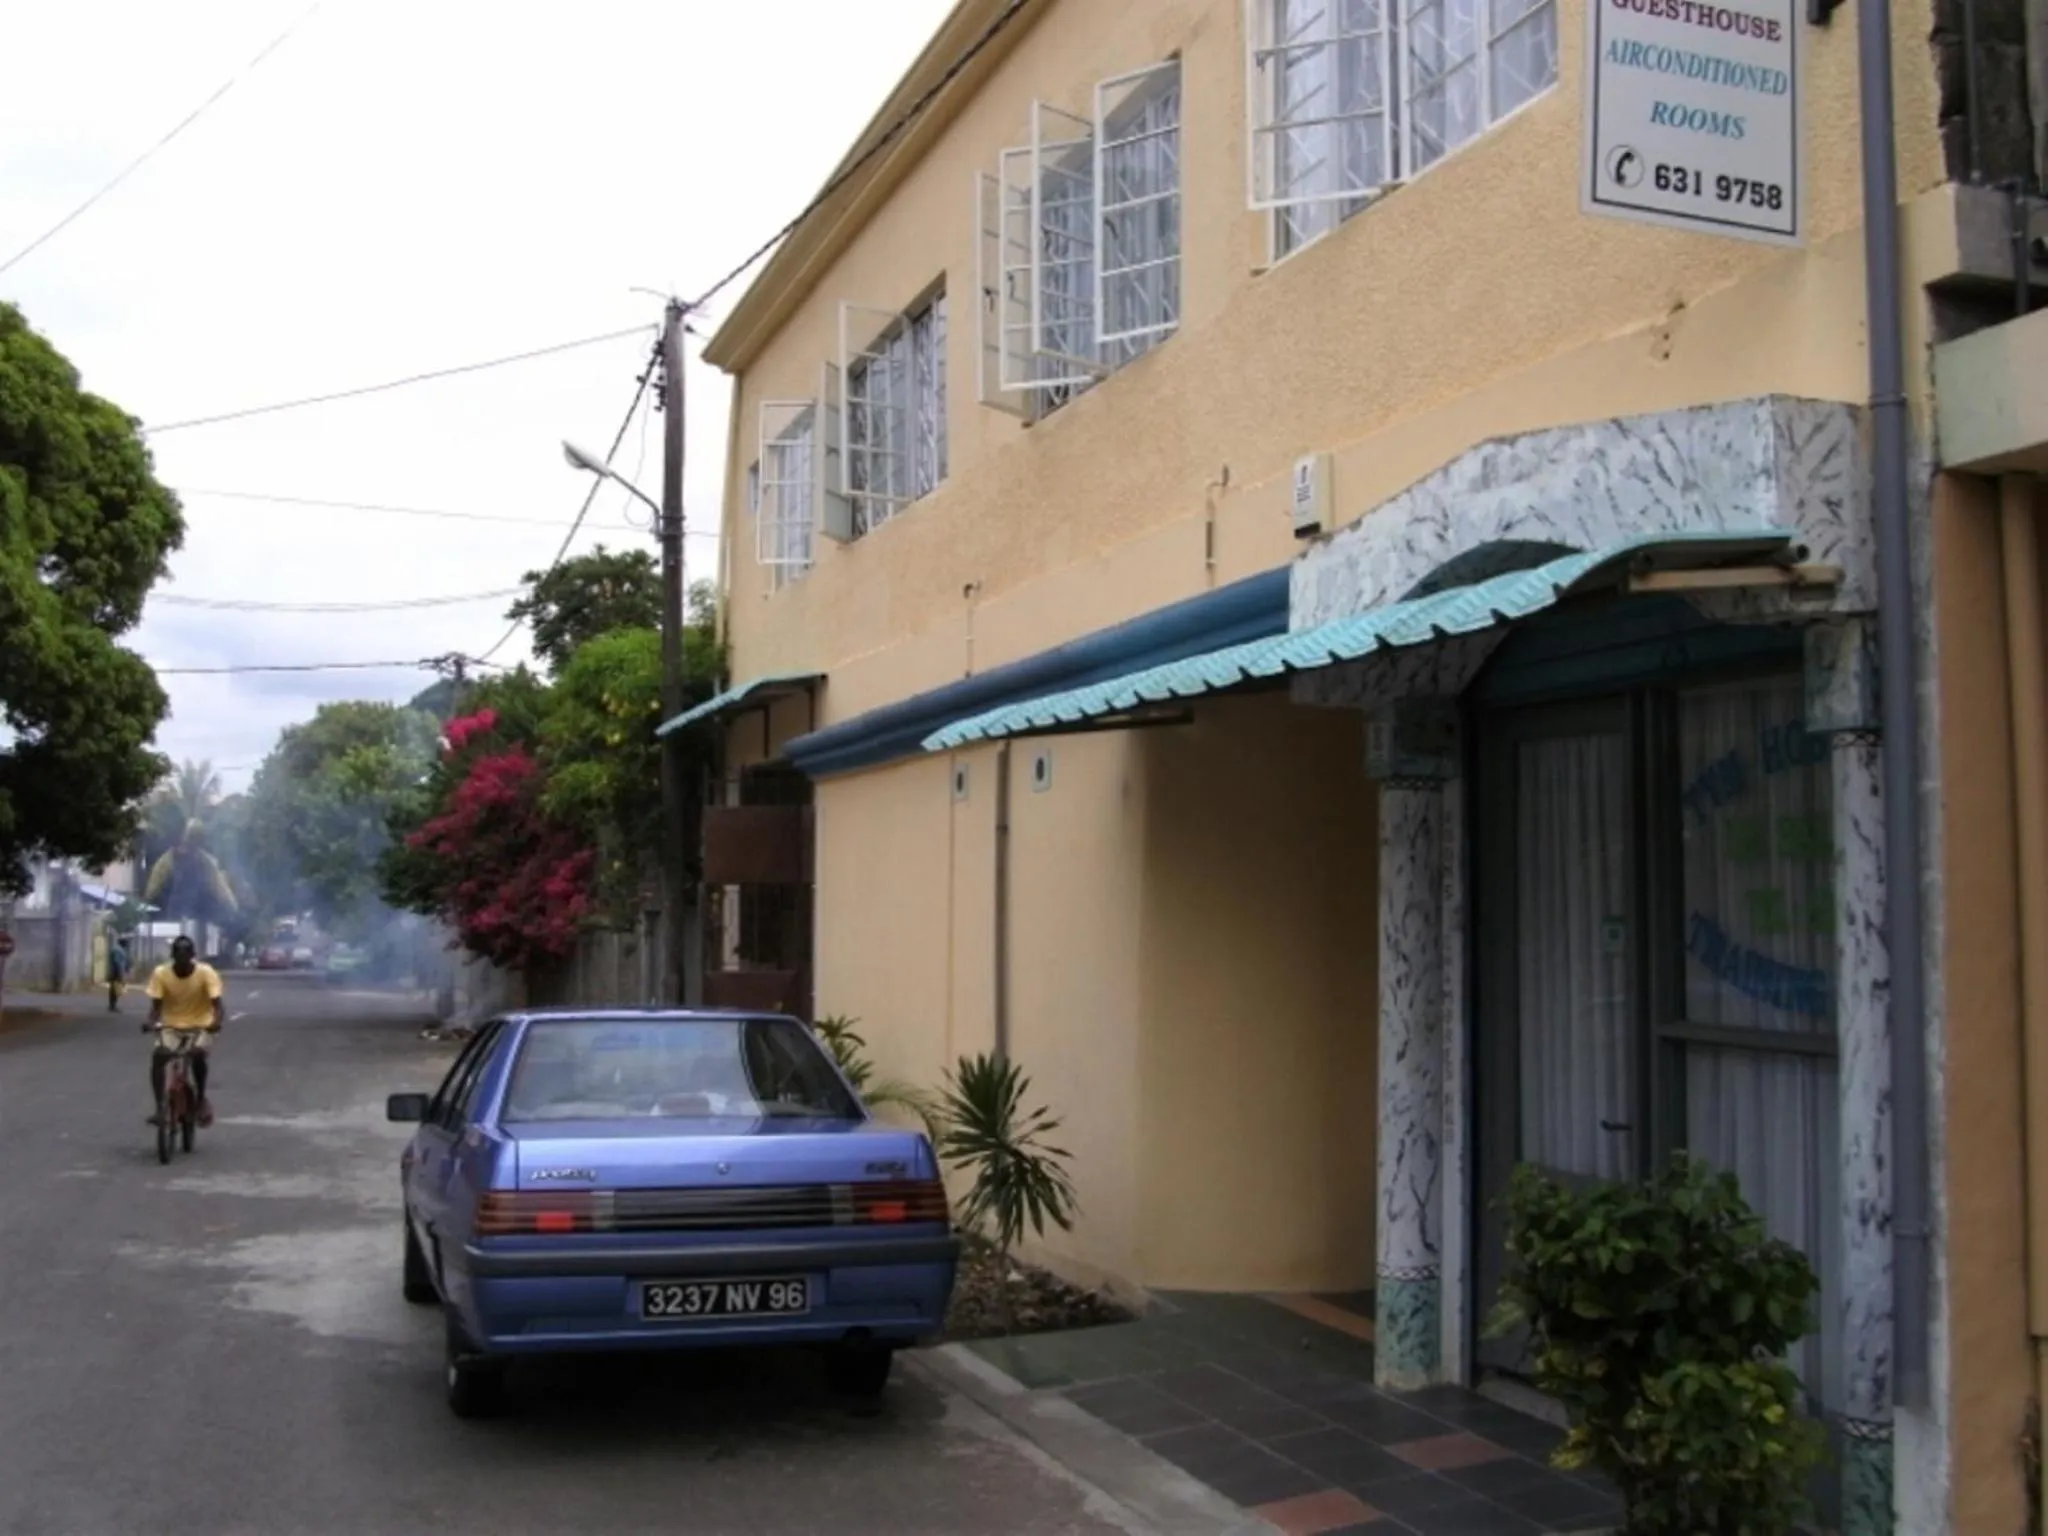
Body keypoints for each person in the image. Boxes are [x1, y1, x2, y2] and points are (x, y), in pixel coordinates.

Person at [143, 936, 223, 1127]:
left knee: (197, 1054)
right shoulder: (161, 973)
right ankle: (160, 1107)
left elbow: (218, 1006)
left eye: (185, 956)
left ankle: (200, 1098)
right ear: (172, 957)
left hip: (201, 1024)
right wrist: (149, 1022)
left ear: (192, 956)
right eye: (177, 956)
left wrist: (216, 1022)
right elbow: (156, 1007)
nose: (182, 961)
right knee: (159, 1056)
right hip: (171, 1025)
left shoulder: (206, 973)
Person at [106, 936, 129, 1013]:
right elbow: (117, 962)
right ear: (123, 943)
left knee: (113, 988)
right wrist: (119, 973)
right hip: (116, 971)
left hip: (114, 970)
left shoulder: (117, 949)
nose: (127, 944)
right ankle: (112, 1006)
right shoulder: (118, 950)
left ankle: (112, 1005)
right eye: (126, 942)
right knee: (115, 989)